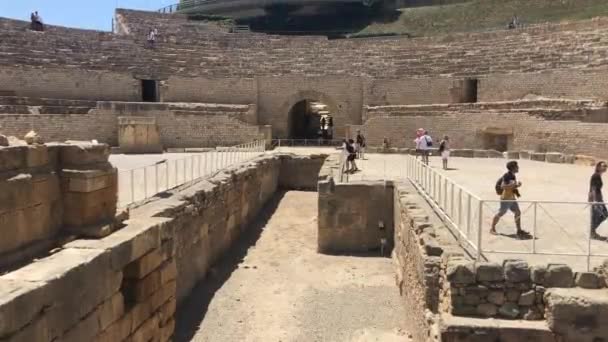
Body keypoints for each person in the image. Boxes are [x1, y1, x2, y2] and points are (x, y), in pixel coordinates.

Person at [491, 161, 530, 239]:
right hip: (505, 198)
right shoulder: (507, 175)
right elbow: (503, 186)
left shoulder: (512, 175)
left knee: (518, 212)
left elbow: (511, 186)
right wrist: (514, 185)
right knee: (501, 213)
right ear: (513, 168)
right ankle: (492, 228)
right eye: (517, 166)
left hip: (511, 197)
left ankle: (519, 230)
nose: (518, 168)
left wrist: (516, 187)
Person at [589, 161, 608, 240]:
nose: (605, 168)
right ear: (599, 167)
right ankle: (592, 232)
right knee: (600, 215)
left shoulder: (598, 176)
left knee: (604, 214)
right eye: (603, 166)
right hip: (596, 199)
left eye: (606, 166)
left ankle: (592, 231)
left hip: (599, 199)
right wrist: (595, 201)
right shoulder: (596, 176)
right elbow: (593, 188)